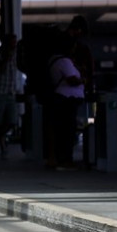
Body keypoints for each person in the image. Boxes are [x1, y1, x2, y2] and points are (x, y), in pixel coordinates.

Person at [45, 34, 85, 170]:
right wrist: (84, 81)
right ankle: (65, 159)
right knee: (67, 130)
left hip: (60, 98)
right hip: (66, 100)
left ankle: (56, 158)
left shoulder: (53, 60)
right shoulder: (65, 61)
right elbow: (71, 79)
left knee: (60, 129)